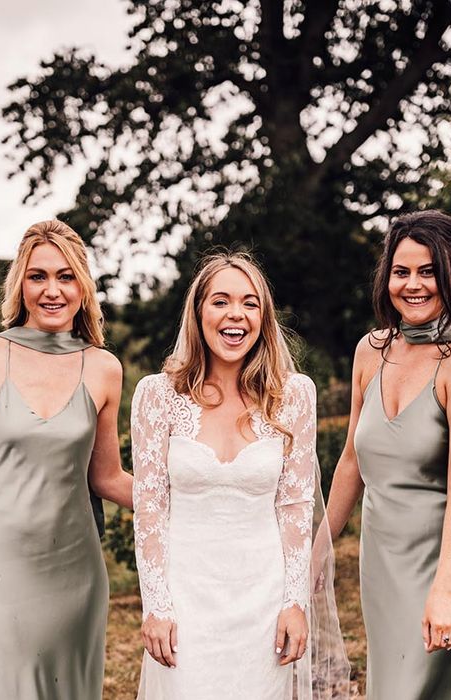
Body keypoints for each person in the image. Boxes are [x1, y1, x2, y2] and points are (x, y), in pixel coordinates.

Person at [131, 251, 350, 700]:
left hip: (263, 601)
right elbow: (149, 508)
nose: (236, 315)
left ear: (264, 317)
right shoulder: (156, 396)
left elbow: (295, 507)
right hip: (185, 599)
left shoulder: (293, 396)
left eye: (250, 303)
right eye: (221, 301)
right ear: (198, 312)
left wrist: (295, 601)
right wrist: (156, 605)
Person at [0, 220, 133, 699]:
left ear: (84, 287)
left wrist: (194, 493)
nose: (52, 290)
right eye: (38, 276)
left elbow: (107, 477)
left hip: (75, 572)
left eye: (66, 277)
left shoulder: (105, 368)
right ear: (19, 284)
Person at [323, 210, 451, 699]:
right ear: (386, 280)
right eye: (401, 272)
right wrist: (314, 550)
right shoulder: (371, 350)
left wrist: (444, 590)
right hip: (381, 559)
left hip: (442, 560)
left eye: (428, 271)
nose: (413, 285)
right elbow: (350, 463)